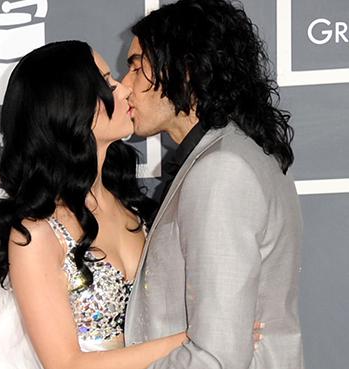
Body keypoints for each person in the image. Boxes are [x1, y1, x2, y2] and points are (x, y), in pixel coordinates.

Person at [0, 40, 189, 369]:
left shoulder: (134, 206)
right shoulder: (35, 234)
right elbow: (66, 364)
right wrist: (190, 340)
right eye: (107, 82)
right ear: (70, 107)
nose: (123, 89)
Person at [121, 1, 304, 368]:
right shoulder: (234, 155)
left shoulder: (222, 171)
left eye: (138, 68)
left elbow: (216, 358)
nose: (125, 87)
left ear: (185, 71)